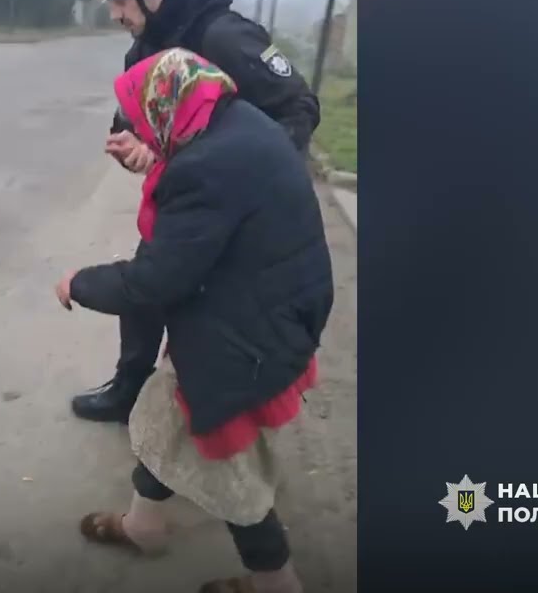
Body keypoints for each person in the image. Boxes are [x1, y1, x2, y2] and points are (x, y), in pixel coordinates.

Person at [55, 48, 333, 593]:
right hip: (266, 314)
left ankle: (277, 583)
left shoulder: (205, 168)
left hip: (242, 346)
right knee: (166, 420)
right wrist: (151, 154)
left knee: (233, 477)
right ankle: (144, 526)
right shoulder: (236, 122)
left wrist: (78, 283)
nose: (142, 130)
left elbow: (155, 280)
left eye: (143, 119)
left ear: (166, 105)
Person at [71, 0, 324, 424]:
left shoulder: (225, 37)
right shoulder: (143, 49)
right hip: (185, 199)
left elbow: (301, 107)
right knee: (147, 285)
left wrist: (248, 169)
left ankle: (216, 425)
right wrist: (132, 145)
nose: (115, 14)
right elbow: (131, 124)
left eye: (120, 0)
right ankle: (129, 387)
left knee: (214, 318)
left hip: (246, 212)